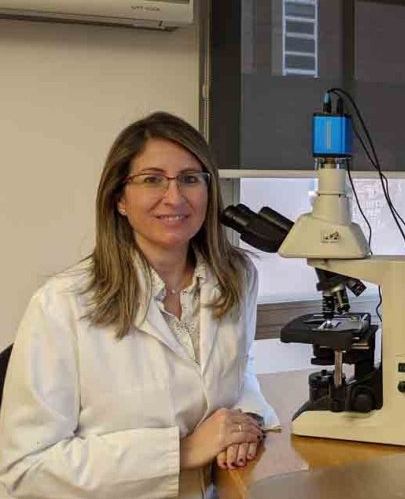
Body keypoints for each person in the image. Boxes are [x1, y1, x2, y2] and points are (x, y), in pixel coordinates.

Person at [0, 112, 279, 498]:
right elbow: (26, 469)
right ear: (120, 200)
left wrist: (245, 419)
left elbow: (240, 366)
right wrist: (180, 452)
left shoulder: (236, 277)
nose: (175, 197)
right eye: (152, 180)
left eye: (190, 178)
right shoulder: (62, 304)